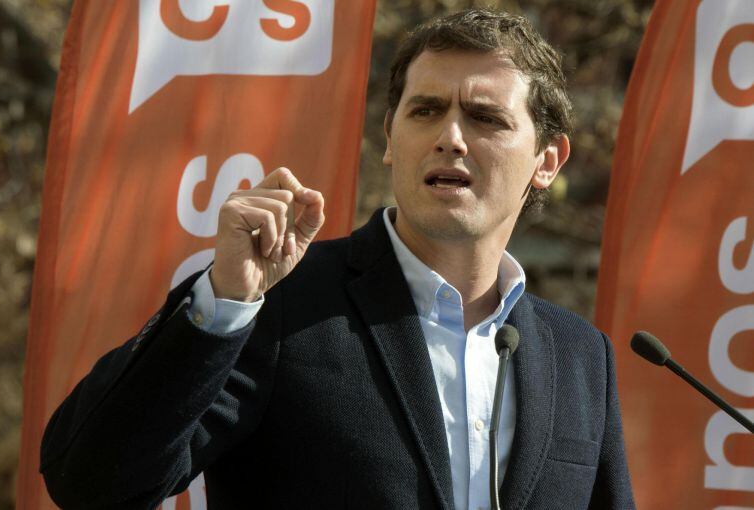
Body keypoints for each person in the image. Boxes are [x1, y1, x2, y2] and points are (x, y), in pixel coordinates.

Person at [40, 8, 634, 510]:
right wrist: (224, 301)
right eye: (425, 110)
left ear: (547, 162)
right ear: (389, 137)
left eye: (485, 118)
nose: (450, 136)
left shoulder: (581, 357)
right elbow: (92, 482)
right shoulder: (278, 305)